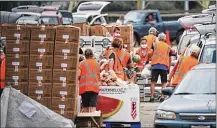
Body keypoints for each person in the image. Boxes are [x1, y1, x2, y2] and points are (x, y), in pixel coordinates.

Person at [149, 33, 174, 102]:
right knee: (164, 83)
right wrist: (168, 67)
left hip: (155, 66)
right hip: (164, 66)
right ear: (165, 39)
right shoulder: (168, 47)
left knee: (153, 82)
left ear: (158, 38)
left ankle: (151, 97)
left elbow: (149, 53)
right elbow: (170, 58)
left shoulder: (154, 45)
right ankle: (162, 96)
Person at [78, 48, 100, 113]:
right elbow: (98, 76)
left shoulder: (81, 64)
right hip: (94, 88)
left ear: (85, 55)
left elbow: (78, 75)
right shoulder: (97, 64)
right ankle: (92, 122)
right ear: (92, 55)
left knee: (85, 107)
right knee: (93, 107)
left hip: (84, 88)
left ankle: (86, 122)